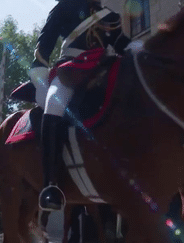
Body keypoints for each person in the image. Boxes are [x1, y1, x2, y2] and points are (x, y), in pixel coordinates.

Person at [28, 0, 136, 211]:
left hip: (106, 67)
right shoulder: (63, 8)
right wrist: (40, 80)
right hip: (72, 68)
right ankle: (50, 185)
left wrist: (139, 48)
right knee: (54, 106)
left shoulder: (108, 15)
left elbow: (121, 43)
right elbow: (43, 49)